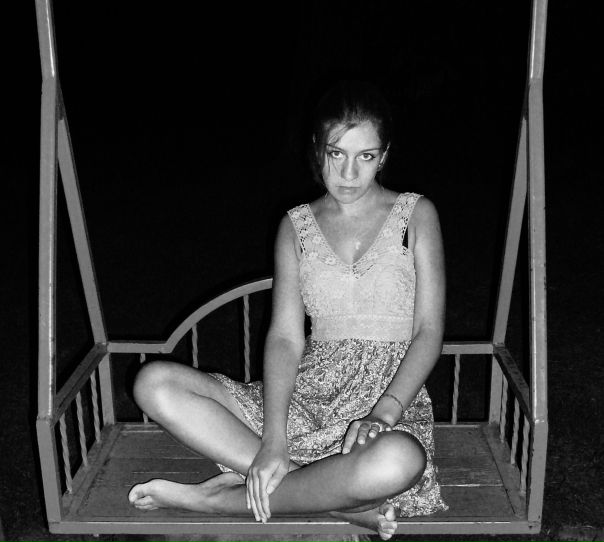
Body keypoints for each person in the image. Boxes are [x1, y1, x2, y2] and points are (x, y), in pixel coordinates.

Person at [128, 80, 447, 540]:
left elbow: (429, 331)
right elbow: (284, 337)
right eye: (337, 153)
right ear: (318, 149)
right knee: (154, 383)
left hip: (388, 403)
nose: (349, 172)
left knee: (398, 460)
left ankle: (214, 500)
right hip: (306, 397)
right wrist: (273, 441)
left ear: (384, 156)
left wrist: (384, 414)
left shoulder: (416, 215)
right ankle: (332, 501)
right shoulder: (296, 226)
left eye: (366, 156)